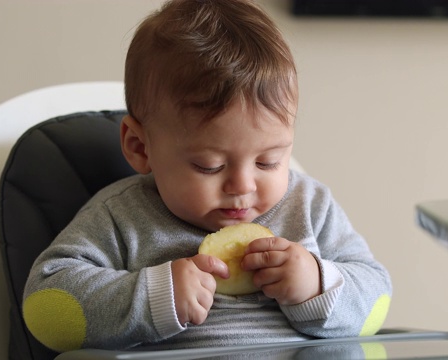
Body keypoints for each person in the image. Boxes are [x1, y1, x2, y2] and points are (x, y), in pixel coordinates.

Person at [22, 0, 392, 353]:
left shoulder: (309, 206)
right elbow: (45, 305)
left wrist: (317, 284)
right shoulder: (121, 217)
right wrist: (152, 297)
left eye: (268, 162)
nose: (242, 187)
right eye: (209, 166)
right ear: (139, 146)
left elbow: (377, 298)